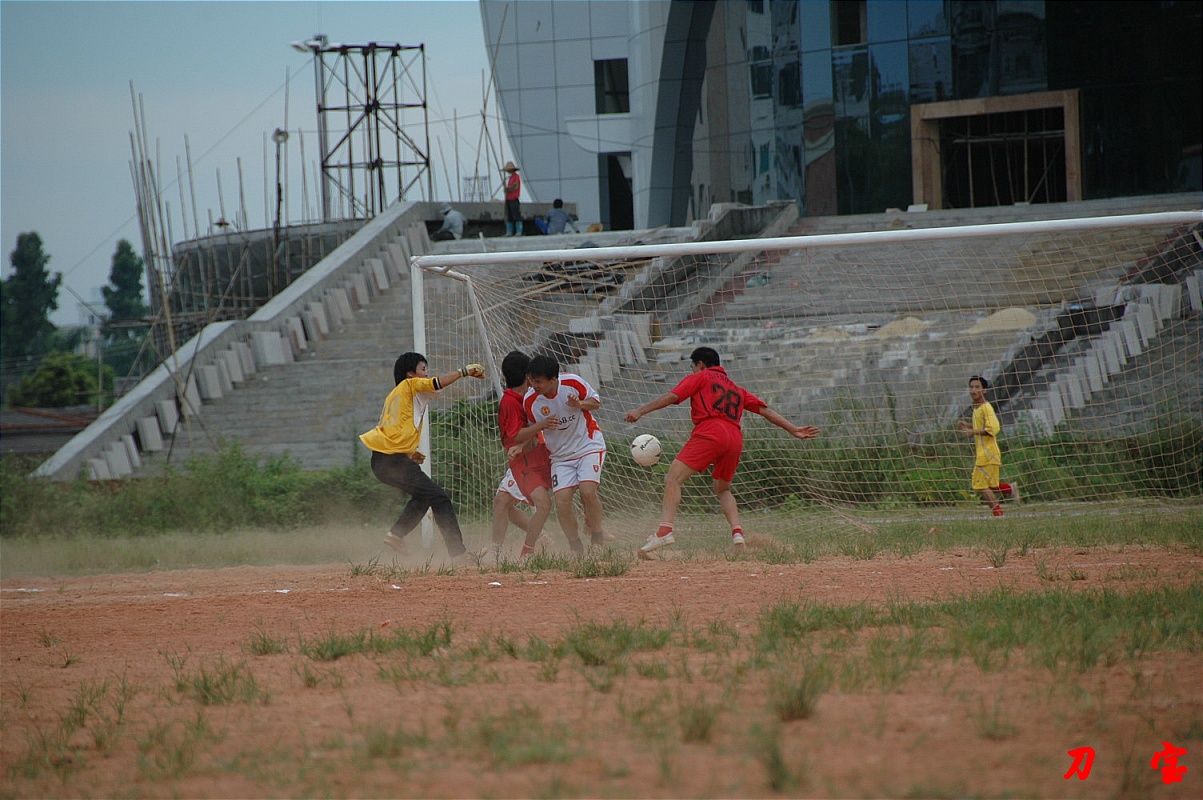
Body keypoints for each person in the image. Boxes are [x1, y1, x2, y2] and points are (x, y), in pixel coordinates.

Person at [624, 346, 819, 557]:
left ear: (700, 364)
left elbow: (672, 396)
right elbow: (765, 411)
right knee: (723, 489)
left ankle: (664, 532)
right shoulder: (736, 388)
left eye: (692, 367)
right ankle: (738, 534)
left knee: (673, 478)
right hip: (734, 438)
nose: (692, 371)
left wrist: (640, 410)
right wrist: (793, 429)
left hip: (710, 432)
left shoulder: (701, 377)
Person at [360, 352, 487, 564]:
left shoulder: (398, 396)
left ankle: (396, 535)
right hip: (392, 460)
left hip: (384, 461)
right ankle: (459, 555)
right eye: (423, 369)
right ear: (410, 374)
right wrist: (463, 372)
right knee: (440, 498)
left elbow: (394, 429)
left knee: (424, 497)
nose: (427, 374)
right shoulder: (409, 385)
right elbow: (436, 383)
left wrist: (409, 453)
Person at [519, 354, 607, 554]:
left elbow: (596, 403)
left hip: (587, 444)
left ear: (553, 379)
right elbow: (533, 430)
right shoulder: (530, 400)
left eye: (538, 381)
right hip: (560, 456)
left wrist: (579, 404)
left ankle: (597, 539)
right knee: (562, 501)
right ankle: (575, 547)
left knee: (587, 491)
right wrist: (522, 446)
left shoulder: (572, 382)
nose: (534, 385)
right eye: (531, 380)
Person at [491, 351, 554, 562]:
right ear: (527, 376)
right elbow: (518, 435)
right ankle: (540, 539)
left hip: (530, 460)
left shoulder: (523, 397)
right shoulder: (513, 400)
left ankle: (500, 552)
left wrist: (534, 433)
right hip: (524, 458)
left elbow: (518, 435)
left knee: (504, 503)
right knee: (503, 502)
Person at [957, 375, 1006, 517]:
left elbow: (993, 429)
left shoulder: (986, 408)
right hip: (984, 453)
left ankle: (999, 514)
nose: (973, 390)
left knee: (980, 485)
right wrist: (967, 425)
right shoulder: (977, 408)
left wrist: (971, 432)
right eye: (971, 387)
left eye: (977, 387)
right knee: (990, 485)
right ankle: (1010, 489)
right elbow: (980, 426)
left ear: (984, 390)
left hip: (988, 453)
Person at [502, 161, 522, 236]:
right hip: (509, 199)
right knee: (509, 215)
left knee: (516, 215)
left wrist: (508, 189)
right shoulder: (510, 178)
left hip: (514, 199)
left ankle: (518, 231)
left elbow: (515, 187)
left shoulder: (516, 177)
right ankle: (509, 232)